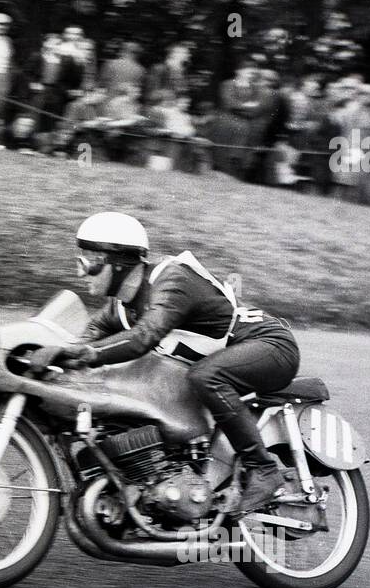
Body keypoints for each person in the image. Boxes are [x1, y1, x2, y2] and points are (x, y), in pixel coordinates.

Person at [27, 212, 301, 516]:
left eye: (91, 259)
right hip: (230, 360)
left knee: (205, 376)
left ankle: (263, 468)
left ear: (120, 262)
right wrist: (51, 354)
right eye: (81, 258)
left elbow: (144, 336)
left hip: (270, 344)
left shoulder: (171, 279)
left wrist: (82, 354)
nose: (82, 271)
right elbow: (87, 339)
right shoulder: (119, 309)